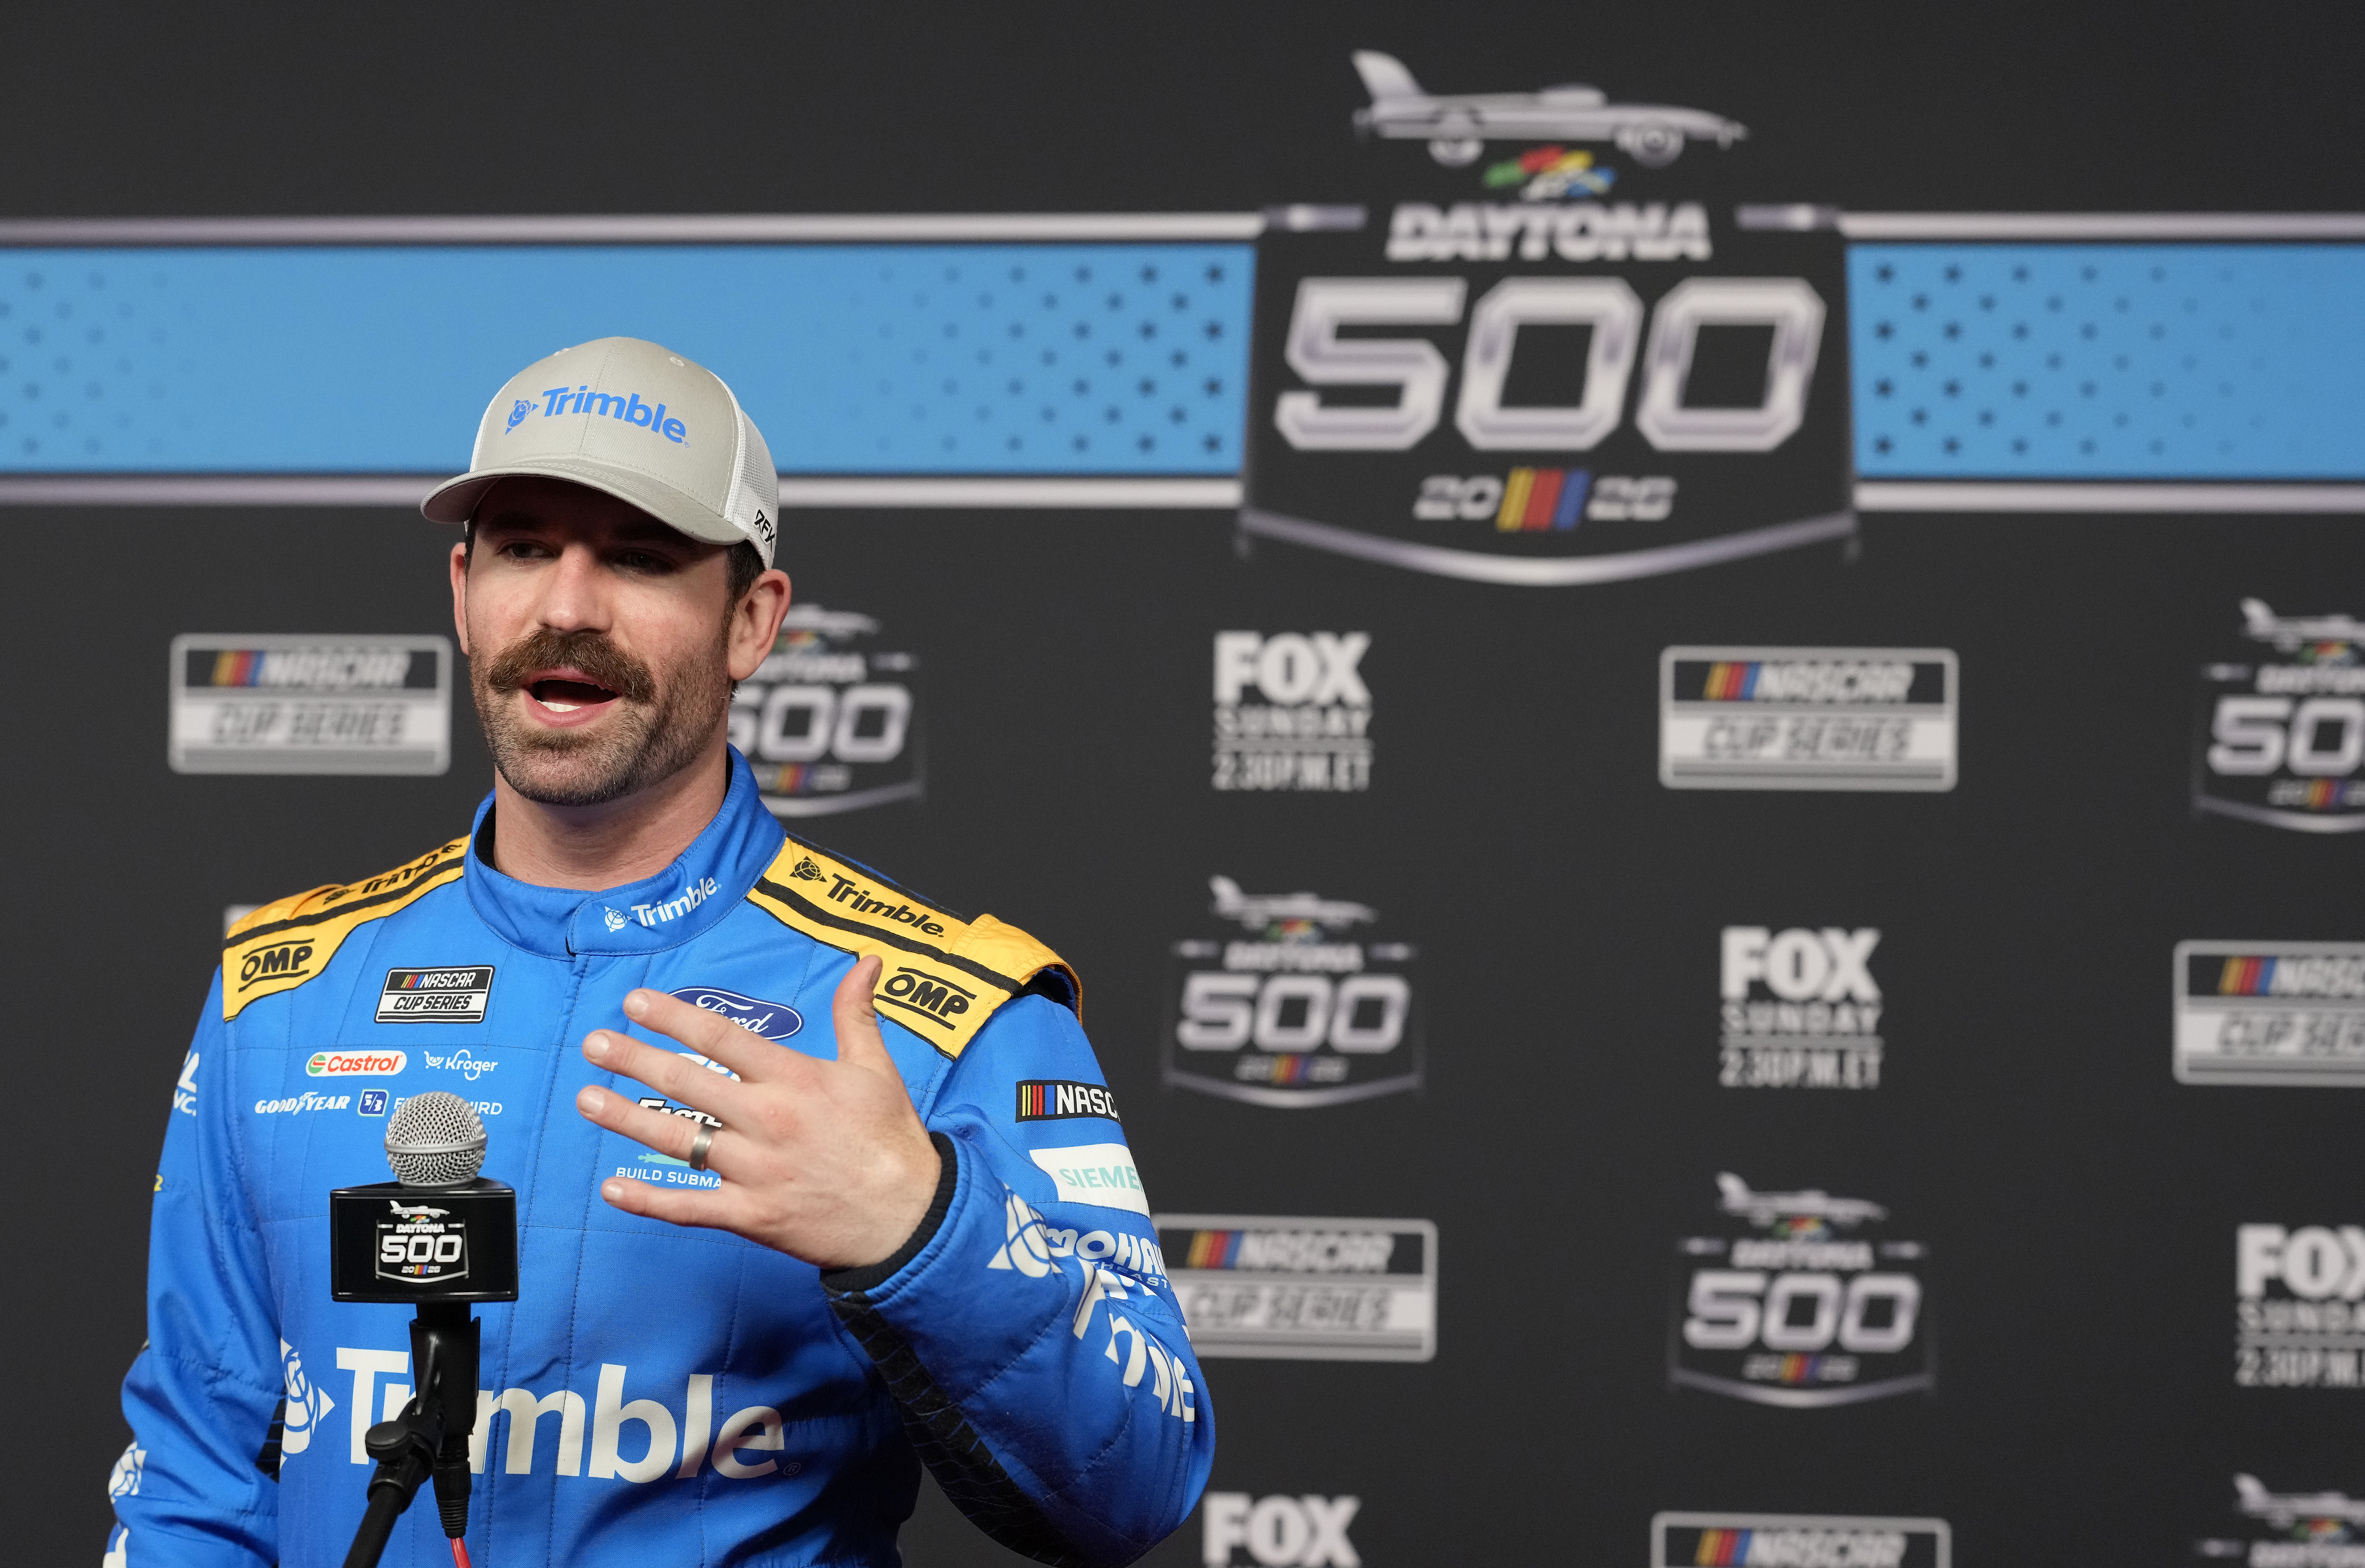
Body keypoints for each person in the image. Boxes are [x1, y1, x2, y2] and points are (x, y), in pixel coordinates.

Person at [108, 337, 1212, 1568]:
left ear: (752, 621)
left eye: (638, 555)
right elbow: (195, 1481)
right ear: (463, 591)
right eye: (526, 546)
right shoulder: (285, 988)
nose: (569, 606)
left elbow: (1140, 1479)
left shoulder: (944, 1008)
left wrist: (923, 1228)